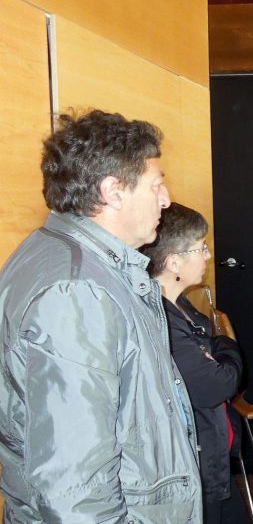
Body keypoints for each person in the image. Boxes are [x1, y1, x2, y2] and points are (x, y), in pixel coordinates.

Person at [0, 110, 203, 522]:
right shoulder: (76, 291)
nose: (165, 199)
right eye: (156, 184)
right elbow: (75, 489)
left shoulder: (74, 260)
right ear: (113, 192)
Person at [142, 202, 250, 523]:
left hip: (212, 460)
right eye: (200, 248)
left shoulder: (181, 304)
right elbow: (217, 385)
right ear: (174, 261)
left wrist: (221, 349)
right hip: (193, 469)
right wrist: (228, 350)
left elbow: (217, 344)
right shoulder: (161, 316)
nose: (206, 255)